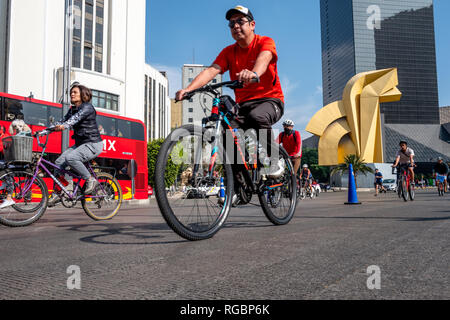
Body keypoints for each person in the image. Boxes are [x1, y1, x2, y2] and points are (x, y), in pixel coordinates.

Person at [175, 5, 284, 179]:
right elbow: (212, 70)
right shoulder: (228, 52)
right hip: (244, 105)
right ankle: (240, 186)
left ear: (252, 24)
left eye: (240, 21)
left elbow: (264, 59)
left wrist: (254, 73)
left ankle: (275, 159)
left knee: (257, 117)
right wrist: (188, 89)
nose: (235, 26)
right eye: (231, 23)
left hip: (270, 100)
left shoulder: (265, 42)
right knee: (226, 132)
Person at [46, 84, 104, 207]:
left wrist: (64, 126)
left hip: (93, 143)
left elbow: (74, 120)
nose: (72, 94)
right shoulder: (72, 109)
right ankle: (62, 190)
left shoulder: (87, 108)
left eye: (75, 92)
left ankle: (90, 180)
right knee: (58, 162)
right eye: (71, 92)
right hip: (80, 144)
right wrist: (45, 130)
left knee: (71, 158)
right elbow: (62, 121)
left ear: (83, 94)